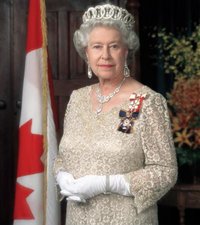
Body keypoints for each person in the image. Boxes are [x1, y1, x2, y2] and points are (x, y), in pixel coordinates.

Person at [53, 3, 177, 225]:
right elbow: (64, 156)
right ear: (86, 52)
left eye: (114, 46)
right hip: (78, 218)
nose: (105, 56)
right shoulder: (77, 98)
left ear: (127, 50)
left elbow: (165, 171)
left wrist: (108, 184)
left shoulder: (141, 101)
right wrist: (60, 174)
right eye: (97, 46)